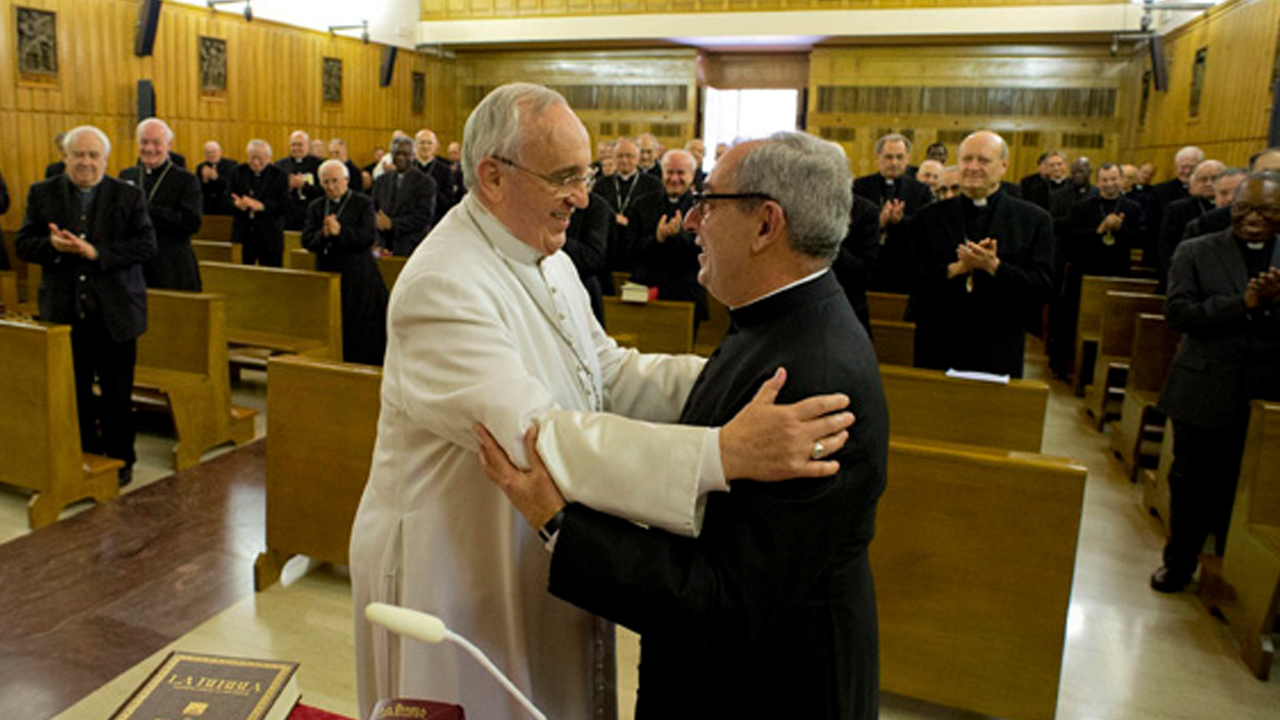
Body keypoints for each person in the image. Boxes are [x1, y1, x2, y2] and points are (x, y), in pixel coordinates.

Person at [348, 83, 854, 720]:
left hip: (533, 540)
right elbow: (533, 436)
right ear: (493, 177)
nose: (583, 198)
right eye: (563, 177)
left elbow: (606, 373)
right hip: (454, 564)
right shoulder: (443, 284)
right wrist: (718, 453)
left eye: (583, 175)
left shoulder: (546, 254)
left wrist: (731, 380)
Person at [477, 130, 887, 720]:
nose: (692, 221)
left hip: (768, 690)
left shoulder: (812, 380)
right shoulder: (777, 320)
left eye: (709, 202)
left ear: (766, 225)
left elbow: (721, 599)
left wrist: (558, 521)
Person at [1151, 172, 1280, 593]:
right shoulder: (1197, 250)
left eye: (1268, 211)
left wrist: (1272, 305)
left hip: (1267, 392)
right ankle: (1179, 563)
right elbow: (1180, 314)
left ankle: (1235, 573)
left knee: (1250, 492)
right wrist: (1242, 303)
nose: (1255, 219)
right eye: (1245, 209)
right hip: (1204, 387)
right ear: (1231, 207)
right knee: (1190, 483)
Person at [16, 125, 156, 486]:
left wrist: (98, 253)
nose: (86, 162)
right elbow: (24, 243)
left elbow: (146, 246)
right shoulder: (42, 193)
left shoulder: (128, 195)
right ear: (65, 157)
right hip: (64, 310)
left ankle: (121, 459)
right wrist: (52, 247)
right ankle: (87, 454)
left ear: (106, 160)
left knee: (116, 394)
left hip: (116, 312)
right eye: (78, 154)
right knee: (73, 390)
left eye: (94, 155)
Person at [905, 131, 1055, 378]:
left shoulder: (1034, 220)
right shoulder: (927, 218)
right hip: (938, 341)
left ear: (1003, 166)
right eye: (967, 159)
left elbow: (1044, 286)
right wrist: (954, 270)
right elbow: (907, 276)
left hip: (998, 346)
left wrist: (995, 267)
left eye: (983, 160)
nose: (973, 167)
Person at [302, 160, 388, 366]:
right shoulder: (316, 206)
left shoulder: (363, 203)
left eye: (335, 181)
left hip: (358, 275)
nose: (331, 186)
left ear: (346, 180)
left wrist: (340, 232)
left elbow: (368, 237)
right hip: (328, 272)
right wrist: (323, 233)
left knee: (360, 327)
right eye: (326, 182)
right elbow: (306, 239)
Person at [120, 119, 202, 291]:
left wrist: (144, 210)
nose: (149, 149)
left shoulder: (185, 180)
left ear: (169, 145)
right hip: (135, 264)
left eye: (156, 143)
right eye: (144, 142)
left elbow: (191, 222)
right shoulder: (127, 175)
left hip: (172, 265)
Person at [626, 149, 705, 325]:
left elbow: (706, 254)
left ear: (692, 175)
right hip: (644, 291)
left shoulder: (703, 208)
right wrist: (658, 239)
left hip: (686, 293)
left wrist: (680, 236)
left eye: (680, 173)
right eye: (669, 172)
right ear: (662, 173)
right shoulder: (641, 204)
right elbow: (629, 250)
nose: (674, 179)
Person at [854, 133, 932, 291]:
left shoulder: (920, 190)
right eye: (888, 157)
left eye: (899, 157)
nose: (894, 163)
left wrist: (900, 221)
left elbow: (925, 230)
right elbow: (851, 226)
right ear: (878, 158)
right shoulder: (859, 187)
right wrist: (878, 222)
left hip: (904, 267)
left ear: (908, 158)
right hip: (870, 265)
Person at [1156, 159, 1223, 292]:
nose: (1209, 184)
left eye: (1215, 179)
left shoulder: (1231, 209)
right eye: (1203, 179)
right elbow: (1166, 248)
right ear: (1194, 182)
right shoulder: (1178, 209)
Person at [596, 138, 661, 272]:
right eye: (620, 156)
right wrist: (613, 216)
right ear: (613, 158)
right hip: (609, 250)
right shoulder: (601, 184)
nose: (624, 160)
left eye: (629, 156)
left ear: (637, 158)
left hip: (639, 250)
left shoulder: (653, 185)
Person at [370, 136, 436, 256]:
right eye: (397, 153)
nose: (400, 158)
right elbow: (373, 208)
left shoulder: (425, 182)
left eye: (405, 154)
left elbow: (424, 216)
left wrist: (392, 224)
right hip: (383, 246)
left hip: (410, 246)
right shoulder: (381, 180)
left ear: (413, 155)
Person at [228, 139, 289, 266]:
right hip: (244, 234)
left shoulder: (279, 175)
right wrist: (236, 204)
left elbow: (285, 205)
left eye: (260, 158)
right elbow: (226, 197)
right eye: (252, 158)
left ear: (269, 158)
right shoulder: (237, 172)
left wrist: (262, 206)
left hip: (269, 236)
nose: (256, 162)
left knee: (271, 276)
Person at [277, 130, 322, 231]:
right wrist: (288, 186)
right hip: (288, 216)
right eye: (293, 145)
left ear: (308, 146)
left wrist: (304, 186)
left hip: (311, 214)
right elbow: (274, 191)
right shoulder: (280, 165)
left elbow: (323, 191)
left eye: (300, 145)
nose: (296, 148)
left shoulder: (318, 165)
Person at [413, 128, 458, 222]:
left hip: (436, 220)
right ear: (415, 146)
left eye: (429, 143)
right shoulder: (409, 168)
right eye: (422, 142)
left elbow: (450, 201)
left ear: (435, 146)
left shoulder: (445, 170)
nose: (425, 146)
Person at [196, 141, 238, 215]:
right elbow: (198, 188)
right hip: (207, 206)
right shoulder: (201, 167)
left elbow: (232, 185)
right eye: (208, 153)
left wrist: (216, 178)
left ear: (220, 152)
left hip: (225, 205)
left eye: (213, 152)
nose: (211, 155)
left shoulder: (231, 165)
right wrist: (204, 180)